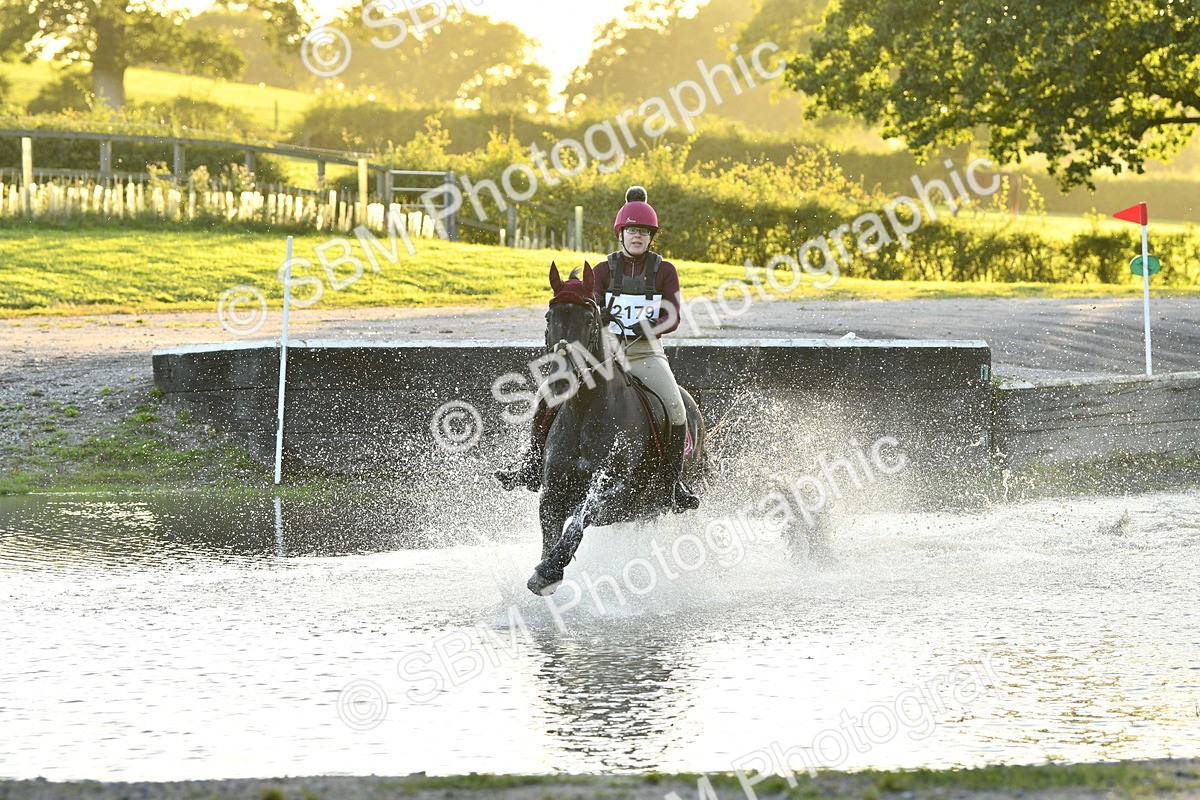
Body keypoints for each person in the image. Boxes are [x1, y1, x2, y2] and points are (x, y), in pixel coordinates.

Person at [496, 185, 700, 512]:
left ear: (651, 237)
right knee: (546, 393)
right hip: (604, 353)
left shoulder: (665, 271)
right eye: (632, 231)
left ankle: (673, 484)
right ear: (621, 234)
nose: (637, 237)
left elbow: (672, 317)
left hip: (646, 354)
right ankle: (532, 465)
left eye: (644, 232)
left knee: (676, 408)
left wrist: (639, 328)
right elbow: (588, 310)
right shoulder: (603, 271)